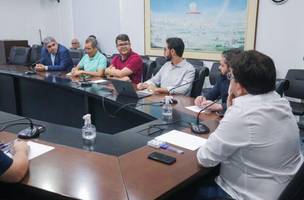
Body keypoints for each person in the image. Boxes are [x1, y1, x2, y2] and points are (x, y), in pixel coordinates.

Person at [196, 50, 304, 200]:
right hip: (283, 188)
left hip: (243, 195)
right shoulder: (280, 102)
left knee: (182, 190)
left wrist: (231, 107)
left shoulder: (243, 112)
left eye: (231, 77)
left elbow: (205, 158)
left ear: (239, 86)